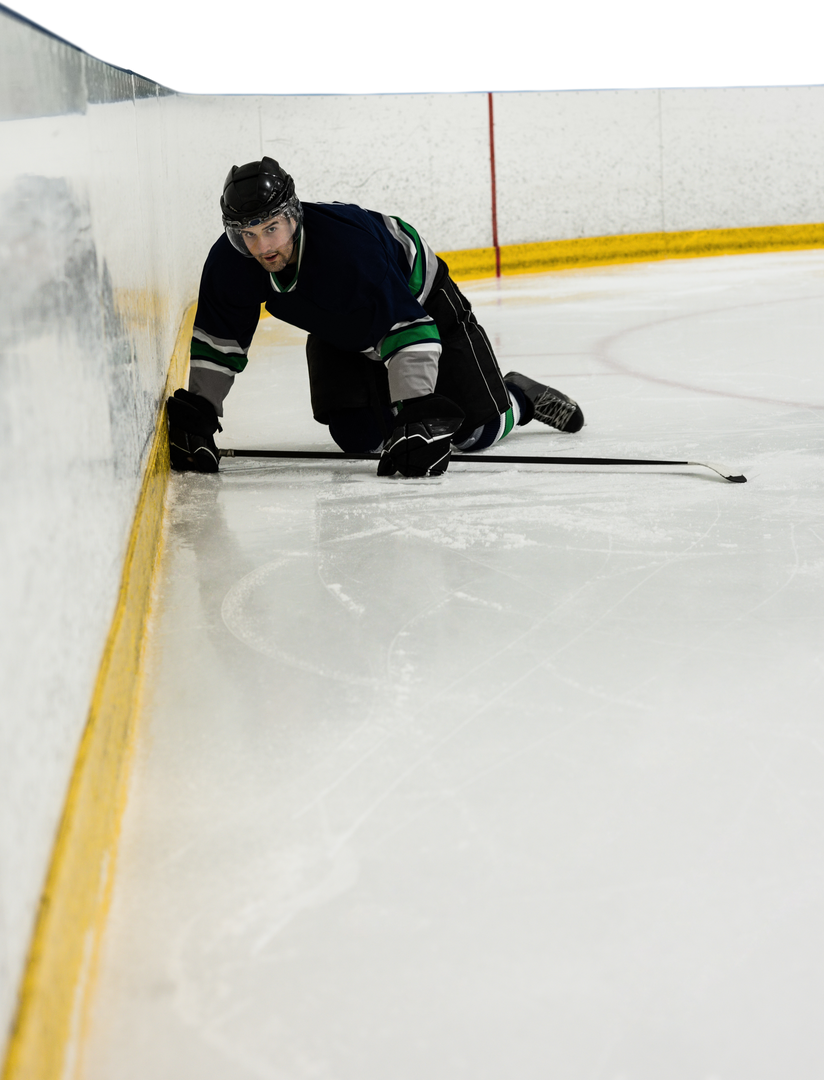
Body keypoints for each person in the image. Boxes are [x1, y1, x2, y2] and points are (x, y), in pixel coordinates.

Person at [167, 157, 584, 478]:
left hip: (423, 307)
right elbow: (220, 339)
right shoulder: (230, 261)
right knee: (358, 438)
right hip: (340, 328)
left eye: (271, 228)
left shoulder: (348, 253)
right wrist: (203, 409)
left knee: (475, 431)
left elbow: (408, 329)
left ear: (293, 216)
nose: (261, 246)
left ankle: (520, 397)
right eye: (247, 234)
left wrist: (417, 411)